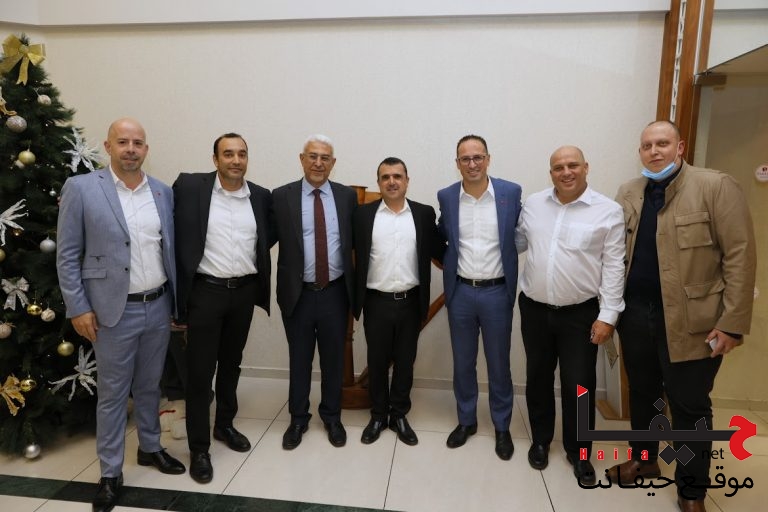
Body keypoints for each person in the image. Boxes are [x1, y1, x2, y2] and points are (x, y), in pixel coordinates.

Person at [608, 121, 756, 512]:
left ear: (680, 147)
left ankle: (692, 491)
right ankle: (644, 460)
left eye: (662, 143)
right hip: (636, 315)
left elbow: (740, 256)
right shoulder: (629, 192)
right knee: (643, 394)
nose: (654, 151)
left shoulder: (715, 186)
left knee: (689, 405)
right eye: (646, 145)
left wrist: (732, 323)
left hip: (694, 323)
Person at [57, 118, 185, 512]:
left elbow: (169, 250)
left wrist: (176, 305)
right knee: (113, 394)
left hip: (157, 305)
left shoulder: (161, 192)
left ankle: (150, 447)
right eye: (123, 142)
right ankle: (110, 472)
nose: (131, 149)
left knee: (149, 385)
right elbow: (67, 254)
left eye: (138, 143)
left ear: (146, 149)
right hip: (112, 311)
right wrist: (79, 307)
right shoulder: (82, 188)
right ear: (108, 145)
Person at [515, 146, 625, 485]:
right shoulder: (533, 204)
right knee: (537, 378)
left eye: (572, 165)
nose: (566, 172)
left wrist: (608, 316)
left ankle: (579, 453)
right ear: (551, 172)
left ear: (585, 167)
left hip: (581, 315)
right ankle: (540, 440)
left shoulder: (608, 211)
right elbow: (517, 242)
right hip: (534, 309)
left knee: (579, 385)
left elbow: (614, 267)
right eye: (558, 167)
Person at [173, 133, 273, 484]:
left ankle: (225, 425)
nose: (235, 160)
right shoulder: (190, 188)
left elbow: (267, 237)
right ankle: (199, 448)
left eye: (241, 154)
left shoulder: (260, 196)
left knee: (231, 364)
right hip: (205, 292)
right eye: (228, 154)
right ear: (215, 159)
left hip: (243, 292)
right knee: (200, 372)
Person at [437, 134, 521, 461]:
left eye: (477, 157)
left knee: (499, 364)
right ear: (457, 163)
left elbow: (520, 235)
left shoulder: (510, 193)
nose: (472, 164)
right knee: (463, 363)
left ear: (488, 159)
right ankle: (466, 421)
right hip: (460, 292)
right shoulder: (447, 196)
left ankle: (502, 426)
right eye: (465, 158)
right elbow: (443, 236)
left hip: (497, 292)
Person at [272, 134, 357, 450]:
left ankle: (332, 417)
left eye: (325, 158)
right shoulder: (281, 197)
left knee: (334, 359)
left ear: (333, 163)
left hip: (335, 292)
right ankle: (298, 419)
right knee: (299, 359)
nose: (318, 163)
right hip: (299, 294)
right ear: (302, 159)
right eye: (313, 156)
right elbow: (263, 238)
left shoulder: (347, 196)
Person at [353, 157, 444, 446]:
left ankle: (399, 414)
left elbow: (441, 251)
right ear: (379, 182)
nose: (391, 182)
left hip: (411, 301)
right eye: (385, 177)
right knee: (377, 361)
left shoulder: (423, 214)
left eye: (397, 176)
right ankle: (378, 415)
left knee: (405, 362)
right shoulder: (362, 215)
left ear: (407, 180)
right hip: (376, 301)